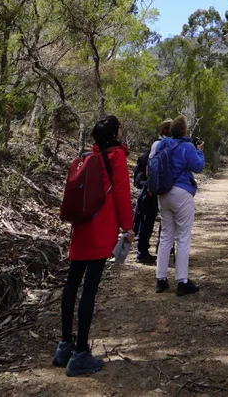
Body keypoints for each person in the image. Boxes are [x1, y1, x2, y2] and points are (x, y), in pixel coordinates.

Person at [53, 115, 134, 377]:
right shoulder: (116, 157)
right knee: (89, 289)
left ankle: (64, 345)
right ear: (114, 134)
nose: (122, 131)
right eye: (119, 128)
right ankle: (80, 355)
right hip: (100, 231)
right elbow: (121, 193)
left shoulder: (88, 157)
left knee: (72, 284)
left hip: (81, 228)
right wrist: (128, 227)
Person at [154, 116, 205, 296]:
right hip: (181, 192)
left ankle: (161, 279)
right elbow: (198, 167)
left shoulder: (163, 144)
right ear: (184, 131)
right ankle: (182, 281)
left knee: (166, 235)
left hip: (164, 193)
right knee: (183, 237)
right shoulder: (187, 146)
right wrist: (199, 151)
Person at [132, 120, 171, 265]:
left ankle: (157, 249)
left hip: (156, 188)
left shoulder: (163, 145)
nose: (169, 130)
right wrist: (150, 187)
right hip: (151, 188)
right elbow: (151, 166)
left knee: (156, 220)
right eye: (167, 128)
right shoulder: (159, 145)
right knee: (147, 220)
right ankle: (143, 252)